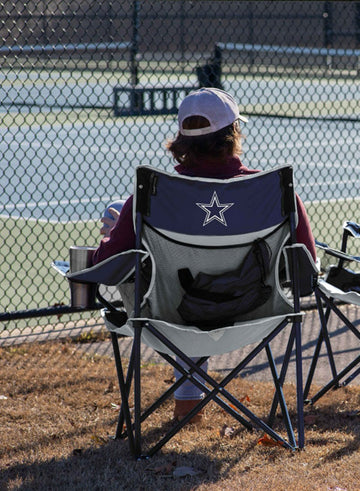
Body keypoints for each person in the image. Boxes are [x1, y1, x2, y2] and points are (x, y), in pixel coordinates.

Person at [93, 88, 317, 423]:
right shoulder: (275, 191)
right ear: (233, 134)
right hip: (254, 313)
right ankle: (191, 403)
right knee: (207, 288)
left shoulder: (150, 195)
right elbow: (306, 273)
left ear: (182, 140)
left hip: (169, 318)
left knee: (183, 290)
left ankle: (187, 402)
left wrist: (113, 234)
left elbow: (104, 266)